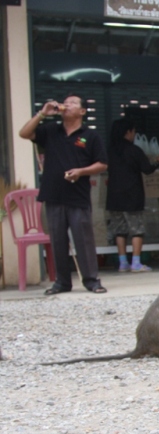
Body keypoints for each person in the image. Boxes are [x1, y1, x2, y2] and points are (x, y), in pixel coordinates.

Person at [18, 94, 108, 294]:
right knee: (57, 240)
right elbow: (24, 134)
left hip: (78, 194)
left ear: (82, 111)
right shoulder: (51, 131)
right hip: (53, 193)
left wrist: (81, 171)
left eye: (73, 103)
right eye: (65, 102)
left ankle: (91, 280)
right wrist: (42, 114)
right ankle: (62, 282)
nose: (67, 105)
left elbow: (102, 163)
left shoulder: (90, 136)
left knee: (83, 239)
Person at [106, 118, 159, 273]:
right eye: (133, 131)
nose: (134, 134)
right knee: (136, 229)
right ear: (128, 132)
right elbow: (147, 169)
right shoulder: (134, 150)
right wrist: (157, 162)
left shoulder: (110, 151)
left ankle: (123, 262)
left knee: (120, 230)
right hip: (132, 194)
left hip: (114, 195)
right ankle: (136, 262)